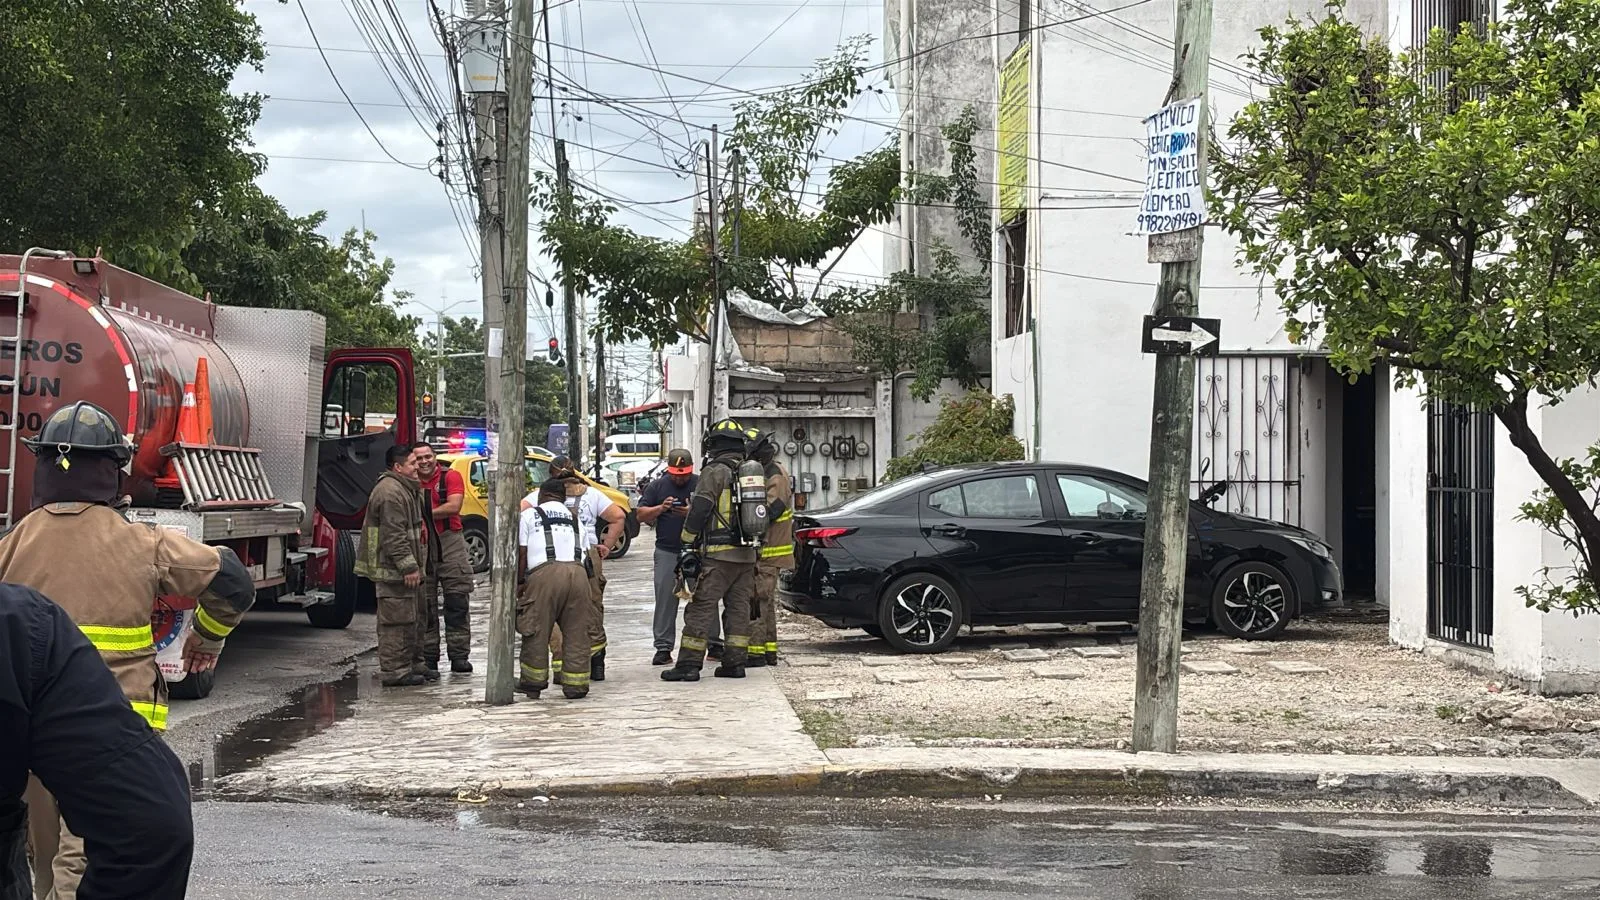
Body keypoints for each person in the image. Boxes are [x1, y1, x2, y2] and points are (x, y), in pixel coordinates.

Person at [0, 401, 254, 900]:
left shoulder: (9, 545)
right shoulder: (145, 544)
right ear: (114, 471)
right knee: (87, 864)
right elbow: (232, 581)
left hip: (30, 740)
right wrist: (207, 637)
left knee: (44, 864)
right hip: (113, 737)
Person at [0, 584, 195, 900]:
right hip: (86, 723)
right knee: (72, 853)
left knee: (49, 850)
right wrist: (210, 641)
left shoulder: (12, 548)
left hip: (63, 726)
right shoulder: (17, 622)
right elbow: (149, 829)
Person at [661, 418, 758, 683]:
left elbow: (701, 508)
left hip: (718, 554)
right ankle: (735, 664)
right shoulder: (749, 472)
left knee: (701, 608)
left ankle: (688, 666)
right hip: (747, 555)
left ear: (712, 445)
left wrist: (686, 540)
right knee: (738, 609)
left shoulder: (715, 471)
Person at [520, 456, 624, 682]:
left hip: (548, 564)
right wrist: (605, 546)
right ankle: (593, 665)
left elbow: (518, 519)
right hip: (585, 559)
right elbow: (618, 516)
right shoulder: (592, 494)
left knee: (551, 616)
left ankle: (556, 669)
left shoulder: (541, 496)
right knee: (587, 611)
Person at [355, 443, 432, 688]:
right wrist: (408, 566)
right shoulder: (390, 493)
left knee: (415, 617)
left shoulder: (405, 489)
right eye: (412, 463)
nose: (418, 466)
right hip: (393, 571)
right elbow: (393, 534)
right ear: (398, 467)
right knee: (396, 622)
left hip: (405, 570)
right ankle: (396, 671)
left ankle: (412, 665)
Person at [515, 478, 593, 700]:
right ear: (562, 497)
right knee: (577, 632)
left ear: (542, 495)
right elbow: (587, 555)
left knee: (536, 630)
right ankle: (576, 686)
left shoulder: (530, 515)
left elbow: (522, 551)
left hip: (544, 575)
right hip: (578, 575)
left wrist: (519, 582)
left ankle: (532, 683)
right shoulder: (576, 519)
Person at [411, 442, 474, 675]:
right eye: (419, 459)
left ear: (434, 457)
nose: (424, 462)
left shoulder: (451, 476)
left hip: (450, 540)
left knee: (457, 600)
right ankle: (429, 659)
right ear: (412, 462)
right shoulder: (410, 482)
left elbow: (453, 506)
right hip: (422, 543)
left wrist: (421, 514)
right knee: (425, 604)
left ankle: (459, 656)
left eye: (428, 456)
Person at [635, 449, 698, 666]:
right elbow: (640, 515)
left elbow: (713, 514)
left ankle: (714, 643)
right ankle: (663, 647)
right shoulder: (658, 486)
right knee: (664, 599)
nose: (680, 478)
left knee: (704, 598)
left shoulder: (699, 484)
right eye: (676, 474)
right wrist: (661, 508)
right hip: (667, 550)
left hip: (696, 550)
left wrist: (691, 512)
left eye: (684, 474)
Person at [747, 432, 793, 668]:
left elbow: (769, 512)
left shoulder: (774, 475)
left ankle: (755, 654)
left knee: (756, 600)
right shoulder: (766, 472)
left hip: (769, 550)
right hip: (767, 550)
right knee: (764, 602)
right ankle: (767, 651)